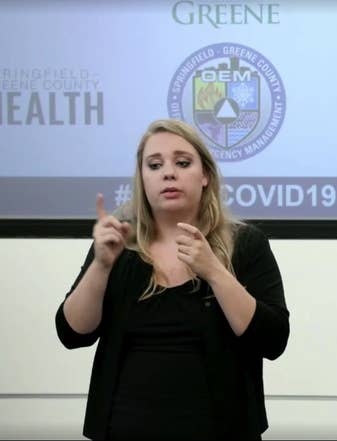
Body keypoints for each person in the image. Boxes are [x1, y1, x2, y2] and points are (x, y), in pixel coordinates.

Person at [55, 119, 289, 440]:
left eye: (182, 162)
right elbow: (72, 334)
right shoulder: (121, 244)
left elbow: (273, 340)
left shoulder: (246, 244)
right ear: (142, 180)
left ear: (205, 175)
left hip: (222, 429)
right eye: (154, 165)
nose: (168, 172)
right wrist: (101, 265)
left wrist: (214, 270)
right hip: (124, 426)